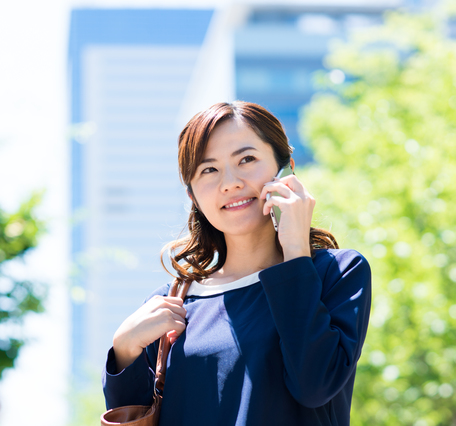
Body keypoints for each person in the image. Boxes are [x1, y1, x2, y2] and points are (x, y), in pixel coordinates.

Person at [102, 101, 371, 425]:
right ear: (193, 196)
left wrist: (295, 251)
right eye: (209, 170)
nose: (230, 182)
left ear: (286, 168)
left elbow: (314, 386)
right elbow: (137, 414)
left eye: (247, 159)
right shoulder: (171, 305)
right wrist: (124, 350)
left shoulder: (336, 273)